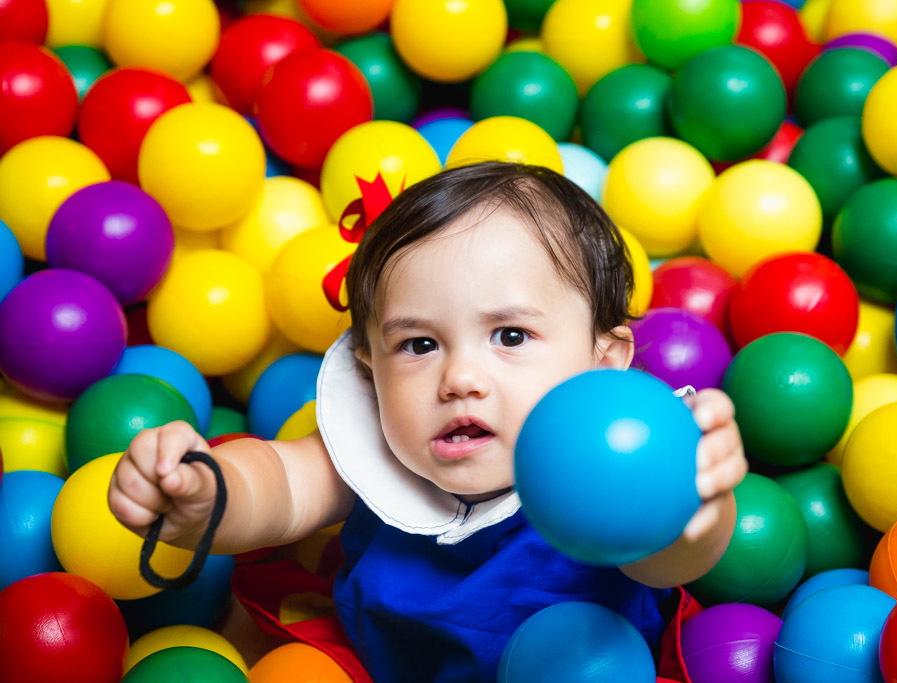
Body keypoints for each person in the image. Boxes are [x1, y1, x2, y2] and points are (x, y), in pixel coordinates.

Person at [108, 162, 748, 682]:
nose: (460, 378)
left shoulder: (614, 462)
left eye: (510, 335)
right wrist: (209, 493)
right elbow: (282, 482)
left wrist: (690, 506)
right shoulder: (380, 450)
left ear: (601, 365)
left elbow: (663, 561)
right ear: (371, 368)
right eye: (419, 345)